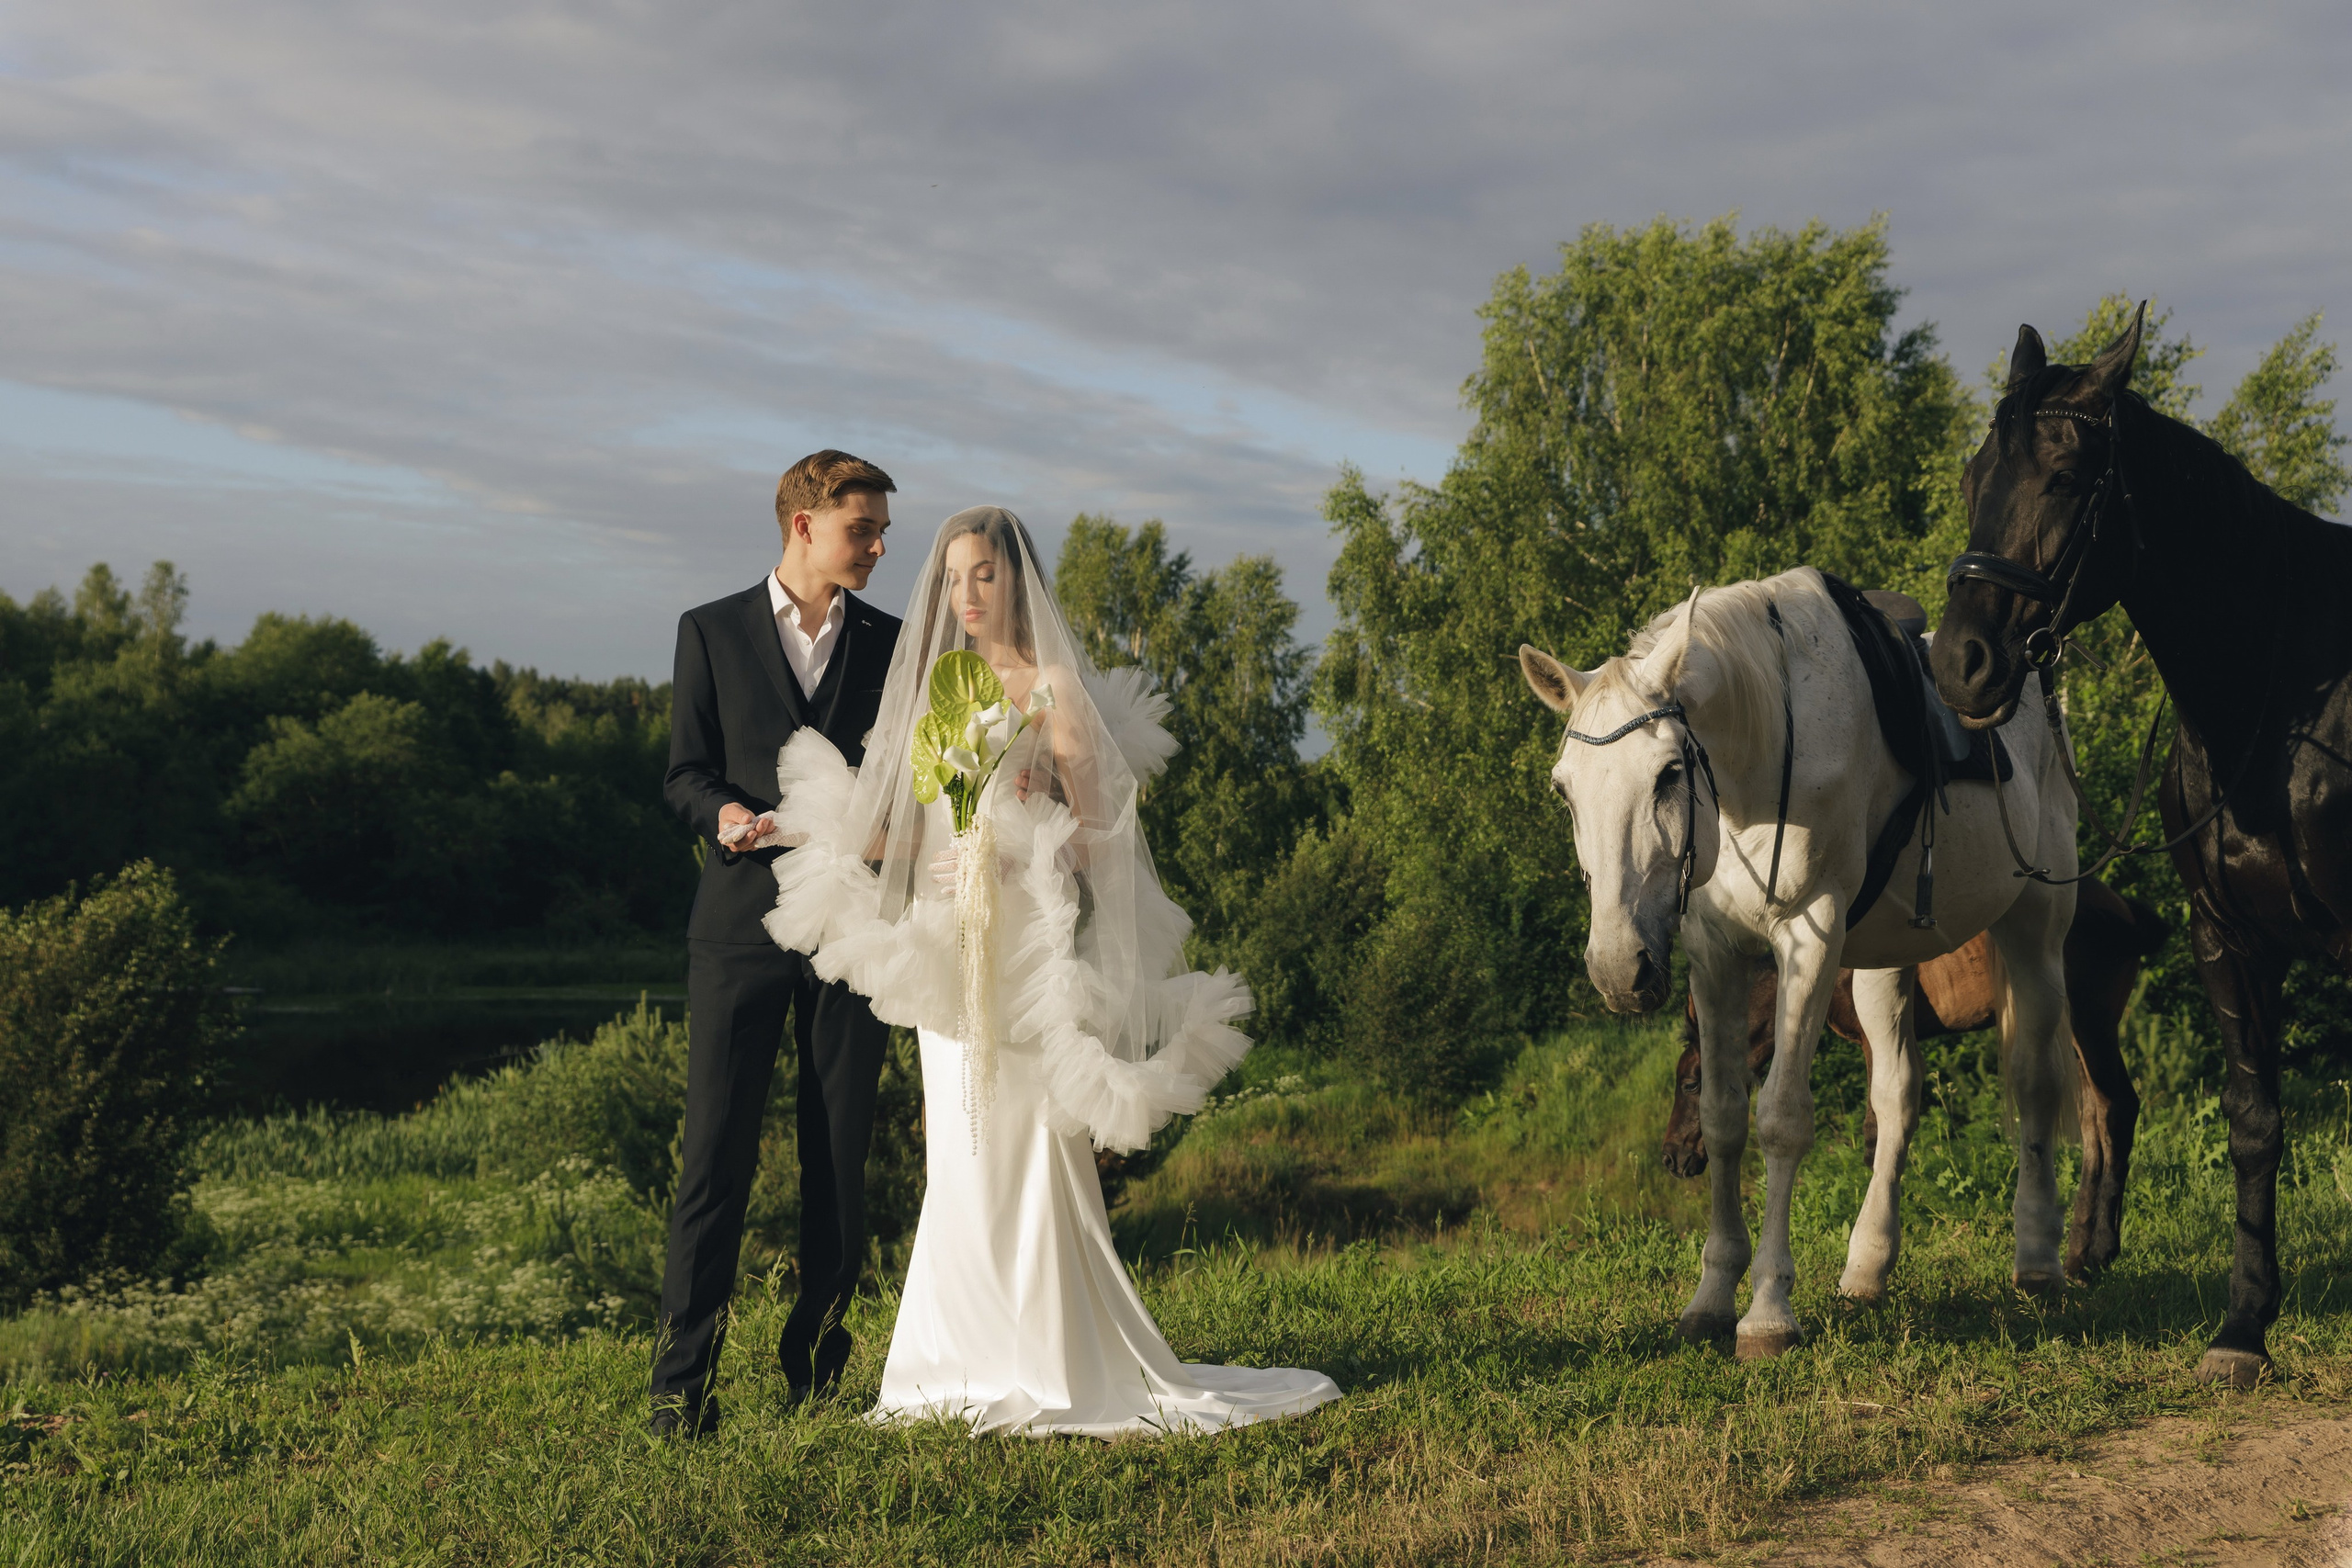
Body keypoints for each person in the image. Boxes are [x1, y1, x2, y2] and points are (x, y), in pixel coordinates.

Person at [764, 506, 1340, 1437]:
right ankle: (945, 1363)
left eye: (983, 576)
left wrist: (1016, 852)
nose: (966, 596)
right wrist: (801, 827)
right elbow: (897, 823)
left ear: (1016, 579)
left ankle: (1049, 1352)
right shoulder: (938, 684)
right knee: (959, 1134)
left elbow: (1104, 836)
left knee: (1027, 1137)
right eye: (953, 579)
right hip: (943, 934)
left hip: (1027, 936)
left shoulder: (1053, 687)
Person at [650, 449, 902, 1437]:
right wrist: (720, 815)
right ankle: (682, 1395)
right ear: (803, 524)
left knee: (838, 1157)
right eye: (862, 530)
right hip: (738, 929)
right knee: (713, 1159)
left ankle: (818, 1379)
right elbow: (684, 771)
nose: (879, 547)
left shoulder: (890, 641)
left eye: (881, 530)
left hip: (854, 934)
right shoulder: (707, 630)